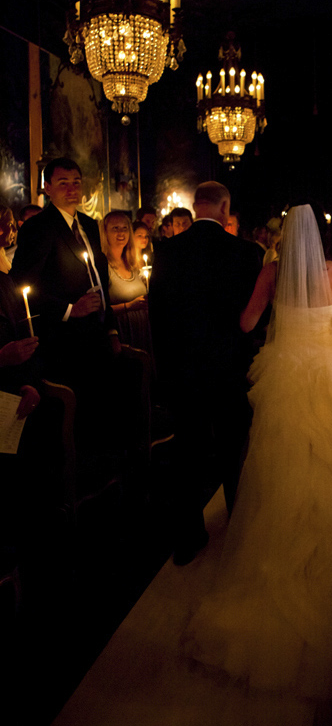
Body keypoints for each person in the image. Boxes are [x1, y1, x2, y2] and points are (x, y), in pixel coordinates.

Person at [182, 204, 332, 711]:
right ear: (320, 238)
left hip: (283, 370)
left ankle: (279, 544)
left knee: (279, 462)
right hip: (327, 368)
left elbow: (246, 323)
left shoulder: (272, 273)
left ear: (284, 237)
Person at [149, 181, 262, 565]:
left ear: (196, 207)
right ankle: (240, 530)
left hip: (183, 369)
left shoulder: (166, 252)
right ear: (225, 208)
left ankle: (188, 538)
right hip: (230, 368)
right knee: (234, 449)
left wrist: (163, 373)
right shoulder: (247, 253)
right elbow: (253, 320)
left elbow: (157, 318)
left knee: (188, 452)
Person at [11, 157, 119, 388]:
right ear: (47, 188)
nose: (72, 189)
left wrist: (111, 329)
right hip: (63, 340)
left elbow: (97, 277)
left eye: (76, 182)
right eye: (63, 183)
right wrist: (70, 310)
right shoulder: (38, 227)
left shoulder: (89, 224)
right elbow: (22, 285)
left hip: (97, 335)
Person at [101, 211, 151, 354]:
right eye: (115, 228)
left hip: (142, 330)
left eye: (124, 228)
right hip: (121, 331)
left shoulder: (132, 263)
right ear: (105, 232)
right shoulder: (103, 266)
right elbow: (100, 310)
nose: (121, 233)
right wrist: (129, 306)